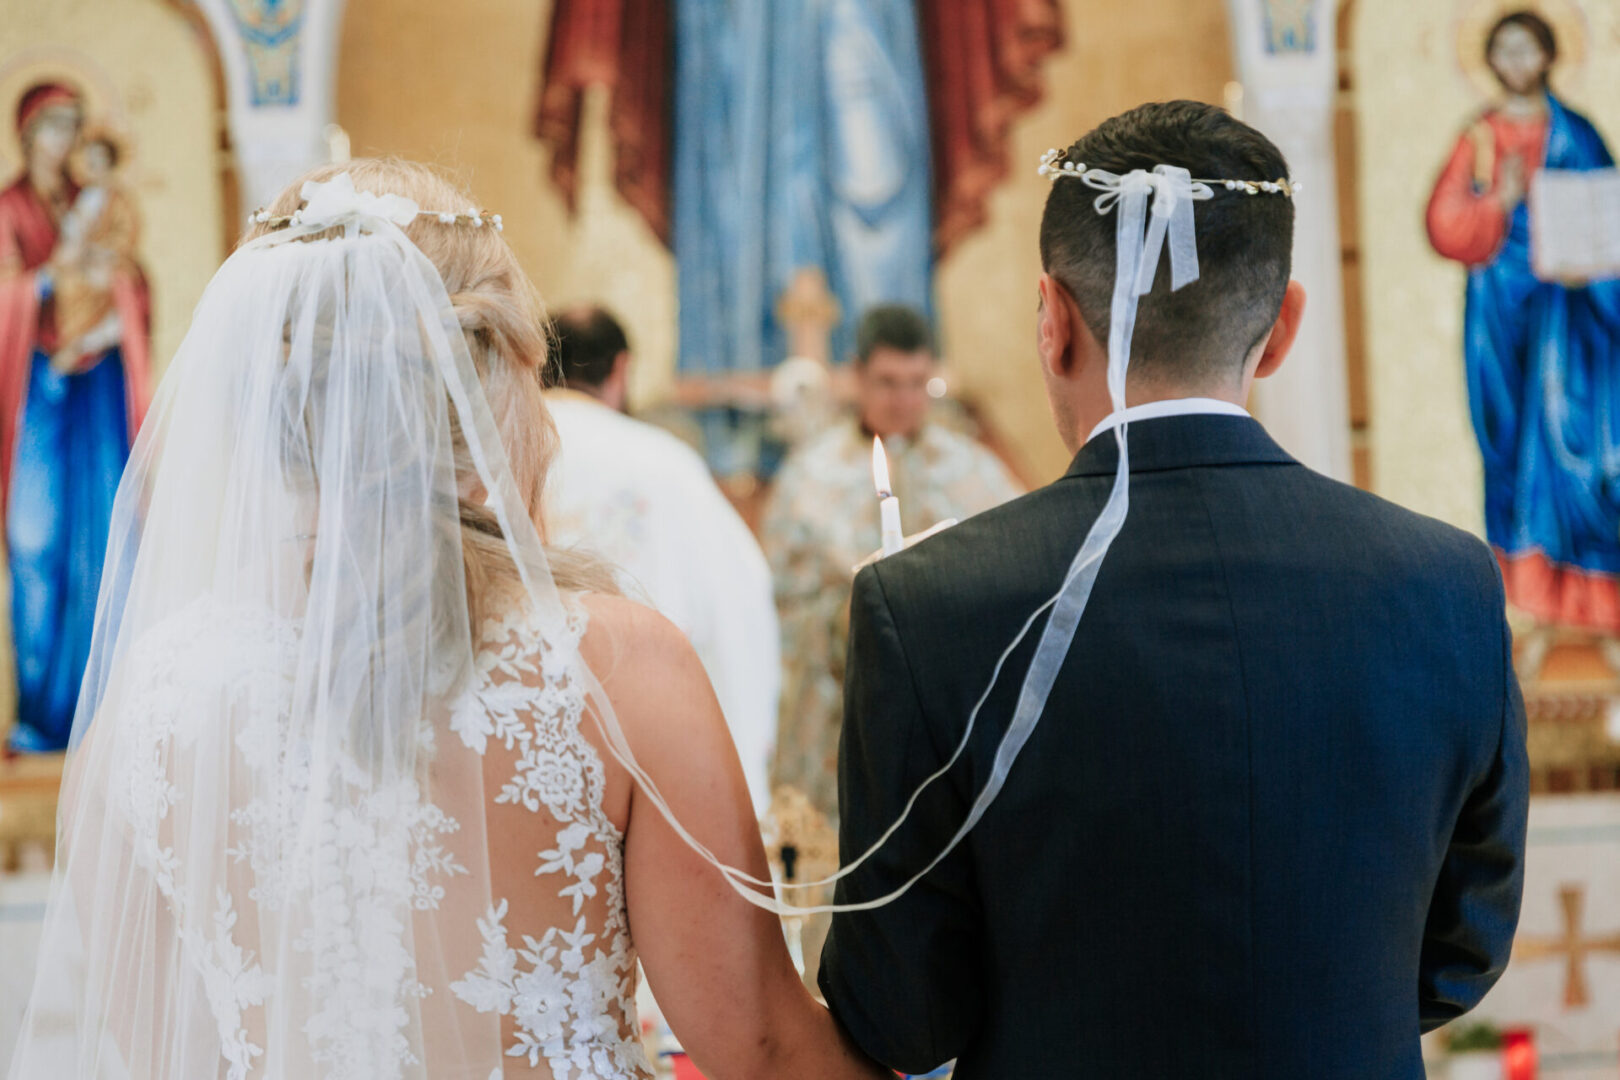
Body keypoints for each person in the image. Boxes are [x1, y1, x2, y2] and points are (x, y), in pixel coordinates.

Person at [8, 159, 884, 1080]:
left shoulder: (145, 711)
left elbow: (169, 1056)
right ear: (495, 385)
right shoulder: (616, 670)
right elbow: (766, 1047)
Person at [820, 101, 1528, 1078]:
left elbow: (899, 1013)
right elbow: (1463, 950)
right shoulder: (1450, 583)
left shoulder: (928, 603)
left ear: (1052, 322)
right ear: (1282, 329)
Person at [762, 303, 1021, 822]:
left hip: (952, 713)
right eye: (887, 381)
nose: (904, 400)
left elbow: (1015, 582)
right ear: (855, 375)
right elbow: (779, 604)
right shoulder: (807, 477)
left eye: (917, 382)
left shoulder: (976, 470)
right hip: (841, 709)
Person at [1426, 10, 1620, 666]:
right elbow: (1445, 224)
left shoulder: (1579, 134)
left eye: (1526, 48)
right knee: (1510, 451)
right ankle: (1532, 613)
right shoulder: (1479, 138)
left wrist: (1589, 263)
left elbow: (1606, 219)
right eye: (1502, 49)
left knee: (1579, 455)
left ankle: (1598, 613)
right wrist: (1500, 202)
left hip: (1573, 318)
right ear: (1489, 57)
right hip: (1503, 320)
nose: (1514, 61)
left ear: (1545, 55)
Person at [544, 304, 780, 813]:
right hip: (643, 740)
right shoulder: (663, 462)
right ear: (622, 369)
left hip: (515, 731)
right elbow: (739, 602)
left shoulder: (485, 456)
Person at [0, 83, 152, 753]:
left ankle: (111, 707)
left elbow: (132, 276)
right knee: (37, 541)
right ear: (29, 134)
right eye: (53, 127)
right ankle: (41, 714)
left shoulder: (97, 197)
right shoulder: (10, 208)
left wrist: (112, 286)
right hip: (35, 391)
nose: (65, 140)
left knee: (104, 534)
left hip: (94, 392)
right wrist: (48, 283)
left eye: (73, 126)